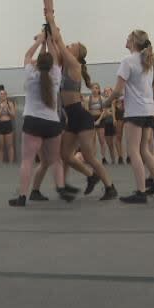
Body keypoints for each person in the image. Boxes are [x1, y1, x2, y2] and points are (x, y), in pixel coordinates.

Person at [35, 12, 117, 199]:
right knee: (65, 155)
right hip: (70, 116)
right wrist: (48, 34)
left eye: (74, 46)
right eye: (70, 45)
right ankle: (90, 176)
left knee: (89, 156)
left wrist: (52, 23)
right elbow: (55, 50)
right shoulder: (63, 66)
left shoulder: (74, 65)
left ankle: (110, 187)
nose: (69, 46)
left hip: (81, 116)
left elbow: (60, 45)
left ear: (78, 54)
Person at [8, 32, 71, 207]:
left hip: (33, 121)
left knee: (27, 160)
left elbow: (27, 56)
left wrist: (39, 42)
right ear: (51, 64)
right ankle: (61, 189)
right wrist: (50, 40)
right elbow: (55, 58)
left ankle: (22, 197)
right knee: (56, 159)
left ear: (37, 64)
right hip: (52, 123)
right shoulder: (56, 75)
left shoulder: (30, 75)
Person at [108, 29, 154, 202]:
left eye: (128, 37)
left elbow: (117, 90)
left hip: (136, 111)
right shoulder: (147, 61)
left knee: (133, 151)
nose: (125, 39)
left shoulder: (127, 61)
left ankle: (141, 192)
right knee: (144, 150)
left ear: (133, 41)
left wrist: (105, 103)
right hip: (148, 110)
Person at [88, 82, 111, 164]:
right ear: (91, 89)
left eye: (96, 88)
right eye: (93, 88)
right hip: (91, 119)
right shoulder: (88, 98)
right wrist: (92, 121)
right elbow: (87, 110)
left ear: (99, 89)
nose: (94, 90)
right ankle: (93, 157)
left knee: (102, 139)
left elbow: (104, 111)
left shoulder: (102, 98)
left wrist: (99, 120)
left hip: (100, 119)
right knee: (92, 140)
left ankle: (103, 157)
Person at [0, 90, 17, 164]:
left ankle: (11, 163)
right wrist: (1, 110)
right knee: (0, 146)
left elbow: (13, 116)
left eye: (4, 94)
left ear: (6, 95)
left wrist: (8, 110)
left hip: (8, 124)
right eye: (1, 94)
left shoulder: (10, 104)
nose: (2, 95)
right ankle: (0, 163)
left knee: (10, 145)